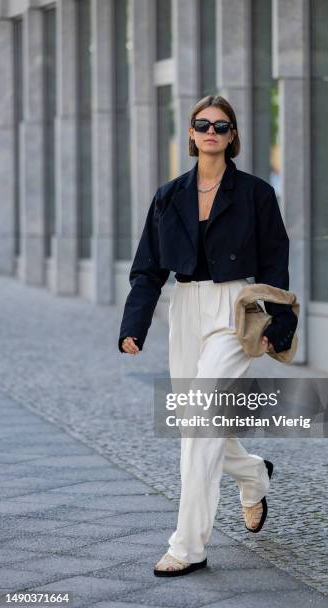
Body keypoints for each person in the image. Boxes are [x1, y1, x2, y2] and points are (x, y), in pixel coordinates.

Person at [118, 95, 298, 577]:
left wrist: (279, 324)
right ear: (192, 134)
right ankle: (253, 473)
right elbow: (148, 267)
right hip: (187, 309)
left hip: (236, 309)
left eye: (222, 125)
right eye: (203, 124)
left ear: (233, 135)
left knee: (199, 418)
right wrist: (134, 326)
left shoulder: (256, 193)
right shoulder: (169, 195)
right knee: (194, 422)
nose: (212, 131)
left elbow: (276, 260)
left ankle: (189, 545)